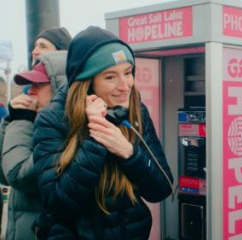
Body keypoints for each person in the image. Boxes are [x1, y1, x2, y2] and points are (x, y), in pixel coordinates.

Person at [33, 26, 174, 240]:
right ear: (87, 84)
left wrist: (129, 152)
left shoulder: (135, 110)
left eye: (128, 73)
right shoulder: (53, 119)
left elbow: (161, 189)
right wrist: (96, 137)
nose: (124, 86)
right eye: (110, 77)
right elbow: (57, 202)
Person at [0, 51, 67, 240]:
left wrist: (21, 120)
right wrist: (10, 120)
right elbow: (3, 173)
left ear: (60, 86)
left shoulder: (65, 131)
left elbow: (18, 174)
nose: (30, 91)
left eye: (39, 84)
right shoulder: (37, 122)